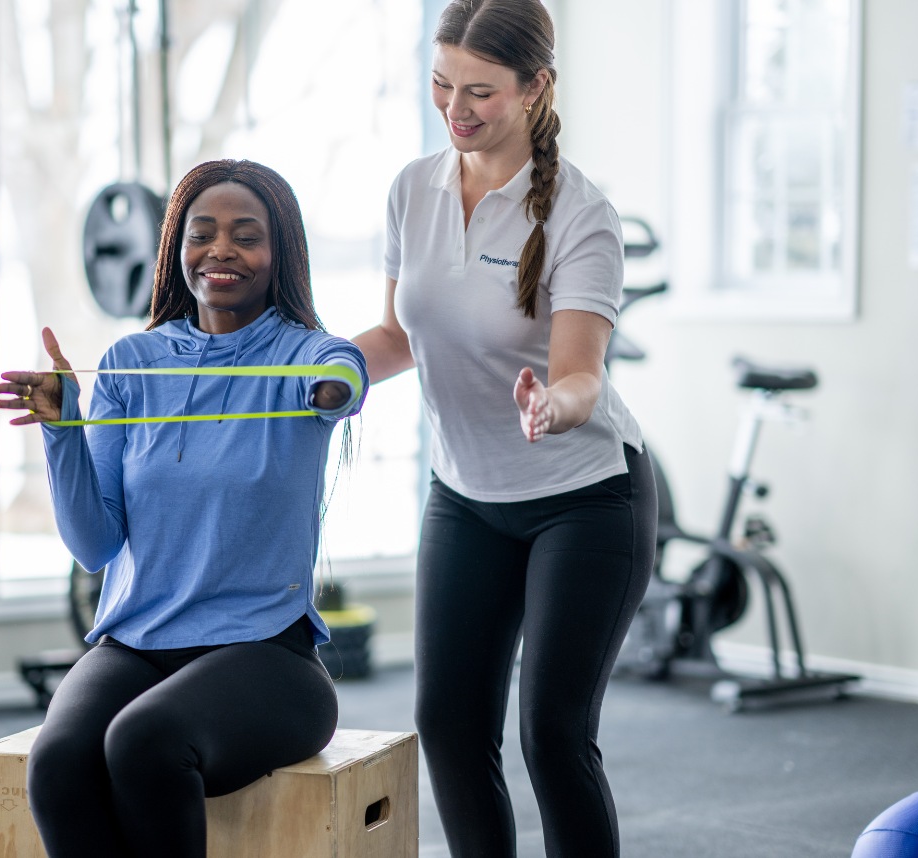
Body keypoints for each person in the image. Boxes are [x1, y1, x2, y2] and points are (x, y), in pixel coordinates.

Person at [0, 159, 368, 858]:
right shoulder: (132, 363)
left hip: (267, 657)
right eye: (203, 233)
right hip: (136, 643)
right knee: (58, 763)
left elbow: (346, 370)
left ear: (279, 253)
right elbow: (94, 546)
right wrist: (61, 430)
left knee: (144, 742)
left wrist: (331, 390)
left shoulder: (303, 355)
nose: (221, 250)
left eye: (246, 235)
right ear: (176, 249)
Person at [351, 1, 658, 856]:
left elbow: (580, 374)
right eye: (442, 83)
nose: (455, 108)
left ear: (535, 89)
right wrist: (327, 369)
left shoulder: (579, 215)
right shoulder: (412, 189)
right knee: (448, 725)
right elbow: (398, 337)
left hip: (584, 500)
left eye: (480, 91)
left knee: (553, 736)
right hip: (467, 495)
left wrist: (550, 404)